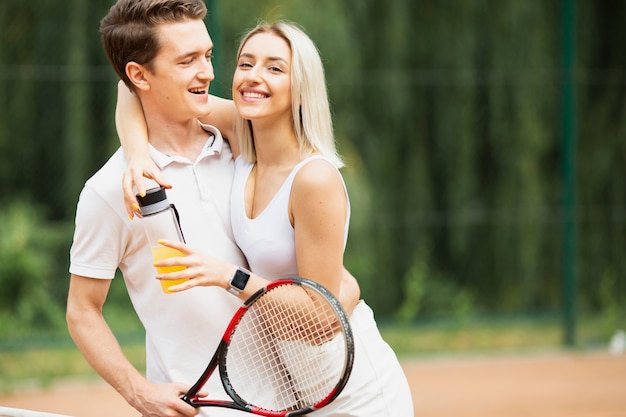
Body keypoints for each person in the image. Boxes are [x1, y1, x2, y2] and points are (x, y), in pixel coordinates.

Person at [66, 2, 359, 417]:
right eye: (187, 61)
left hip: (299, 399)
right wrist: (139, 391)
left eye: (207, 55)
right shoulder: (111, 190)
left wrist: (338, 296)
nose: (208, 73)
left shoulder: (243, 144)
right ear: (138, 75)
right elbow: (81, 311)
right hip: (204, 405)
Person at [117, 20, 415, 416]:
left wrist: (228, 277)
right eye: (246, 64)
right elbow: (131, 87)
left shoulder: (314, 178)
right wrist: (137, 159)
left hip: (356, 392)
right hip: (295, 393)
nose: (253, 77)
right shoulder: (243, 142)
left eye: (274, 68)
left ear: (301, 88)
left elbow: (321, 317)